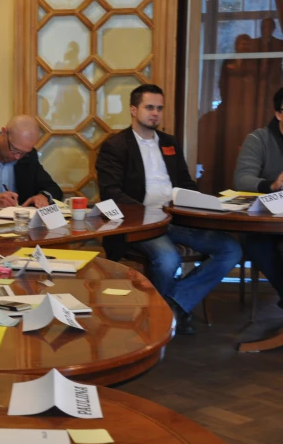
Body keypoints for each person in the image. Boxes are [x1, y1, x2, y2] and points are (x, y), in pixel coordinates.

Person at [96, 84, 242, 334]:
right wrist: (150, 215)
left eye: (159, 108)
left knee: (231, 249)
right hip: (141, 224)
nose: (155, 113)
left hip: (177, 219)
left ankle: (172, 304)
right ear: (133, 109)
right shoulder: (116, 146)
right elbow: (111, 194)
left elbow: (184, 182)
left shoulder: (169, 143)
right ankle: (165, 314)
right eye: (149, 107)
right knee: (167, 259)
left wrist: (201, 202)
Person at [234, 87, 283, 307]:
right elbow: (242, 179)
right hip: (263, 220)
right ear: (279, 114)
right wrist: (272, 185)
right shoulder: (259, 138)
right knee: (258, 245)